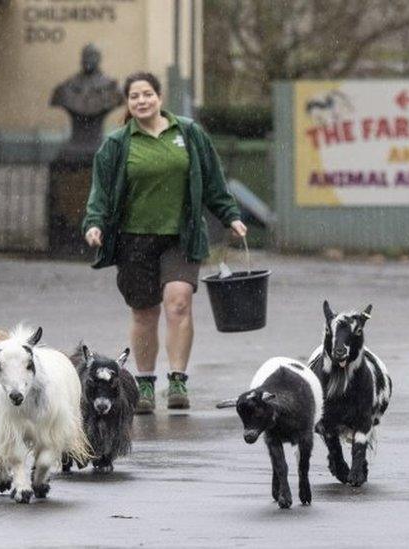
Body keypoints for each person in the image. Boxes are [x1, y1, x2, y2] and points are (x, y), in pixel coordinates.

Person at [82, 71, 247, 414]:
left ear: (159, 97)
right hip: (133, 240)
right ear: (128, 104)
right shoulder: (116, 144)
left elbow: (214, 181)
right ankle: (144, 384)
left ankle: (177, 380)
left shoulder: (188, 133)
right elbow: (100, 191)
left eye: (147, 94)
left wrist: (231, 215)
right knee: (144, 312)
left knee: (179, 301)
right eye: (134, 97)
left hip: (180, 236)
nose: (142, 101)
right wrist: (95, 224)